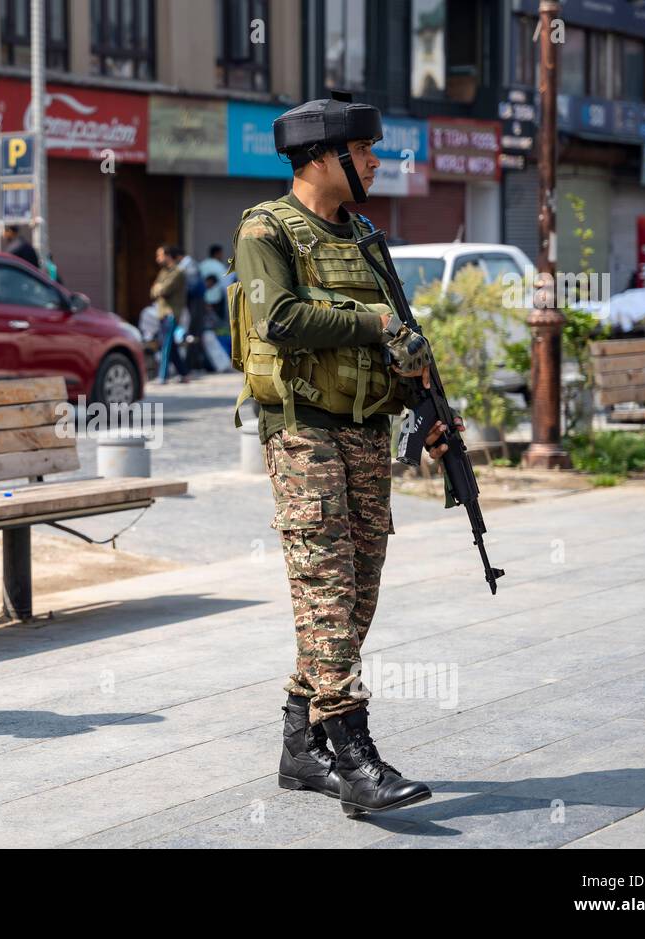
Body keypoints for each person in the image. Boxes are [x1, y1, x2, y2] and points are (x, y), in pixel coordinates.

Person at [232, 94, 460, 817]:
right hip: (302, 430)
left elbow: (403, 336)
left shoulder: (363, 236)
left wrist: (426, 406)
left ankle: (301, 745)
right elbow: (279, 317)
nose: (375, 161)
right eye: (365, 151)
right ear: (323, 158)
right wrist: (375, 321)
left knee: (357, 587)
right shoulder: (265, 229)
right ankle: (355, 755)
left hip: (365, 430)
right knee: (326, 583)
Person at [150, 244, 190, 383]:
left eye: (160, 255)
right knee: (171, 346)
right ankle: (184, 374)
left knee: (166, 345)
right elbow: (153, 291)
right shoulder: (163, 272)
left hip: (171, 313)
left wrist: (158, 289)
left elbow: (164, 290)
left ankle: (163, 376)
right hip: (162, 312)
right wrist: (158, 289)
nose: (158, 259)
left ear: (168, 256)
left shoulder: (177, 272)